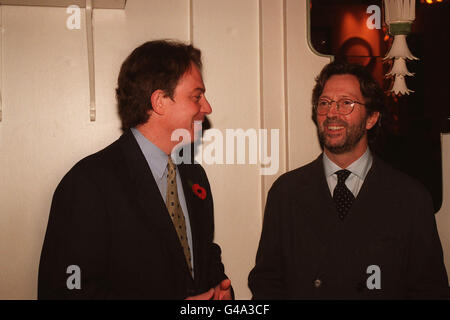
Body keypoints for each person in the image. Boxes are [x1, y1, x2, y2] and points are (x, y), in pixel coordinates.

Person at [38, 40, 232, 300]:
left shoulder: (193, 177)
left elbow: (203, 256)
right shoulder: (88, 184)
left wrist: (220, 291)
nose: (206, 108)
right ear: (160, 101)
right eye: (196, 97)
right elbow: (66, 292)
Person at [248, 61, 449, 299]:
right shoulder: (286, 192)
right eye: (324, 103)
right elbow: (267, 284)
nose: (332, 113)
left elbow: (430, 290)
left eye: (346, 103)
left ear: (371, 118)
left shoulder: (410, 198)